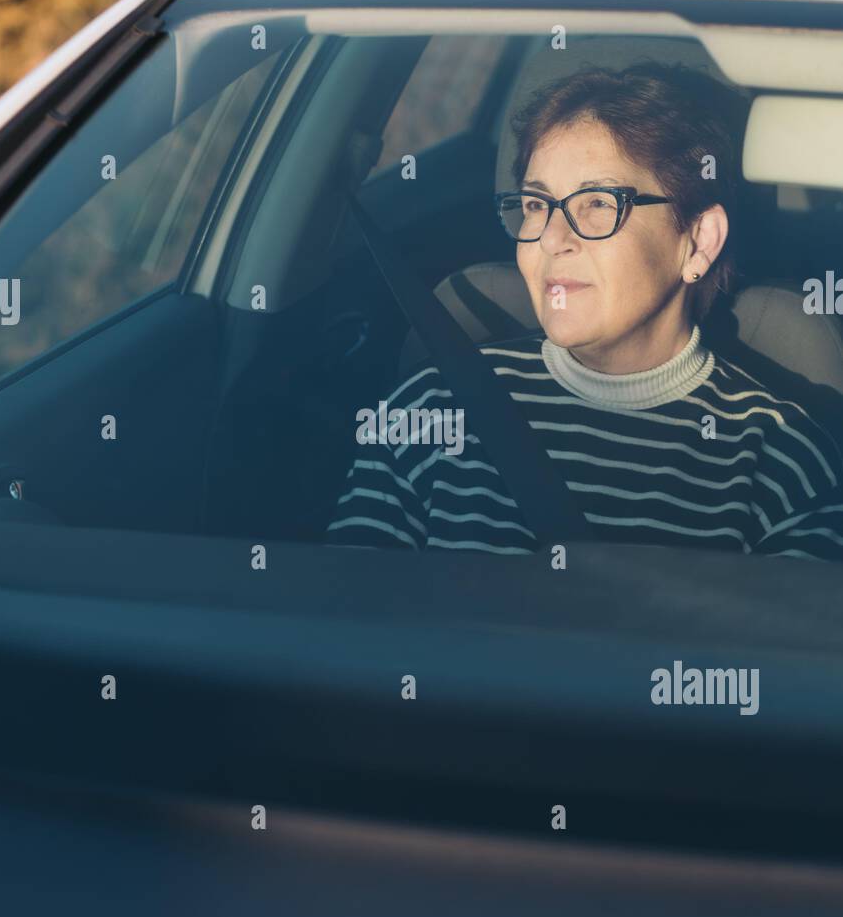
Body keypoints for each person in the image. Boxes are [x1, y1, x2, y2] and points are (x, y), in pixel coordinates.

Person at [327, 61, 843, 559]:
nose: (552, 238)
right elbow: (346, 625)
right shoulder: (432, 409)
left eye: (597, 203)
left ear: (699, 241)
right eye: (535, 204)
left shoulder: (776, 458)